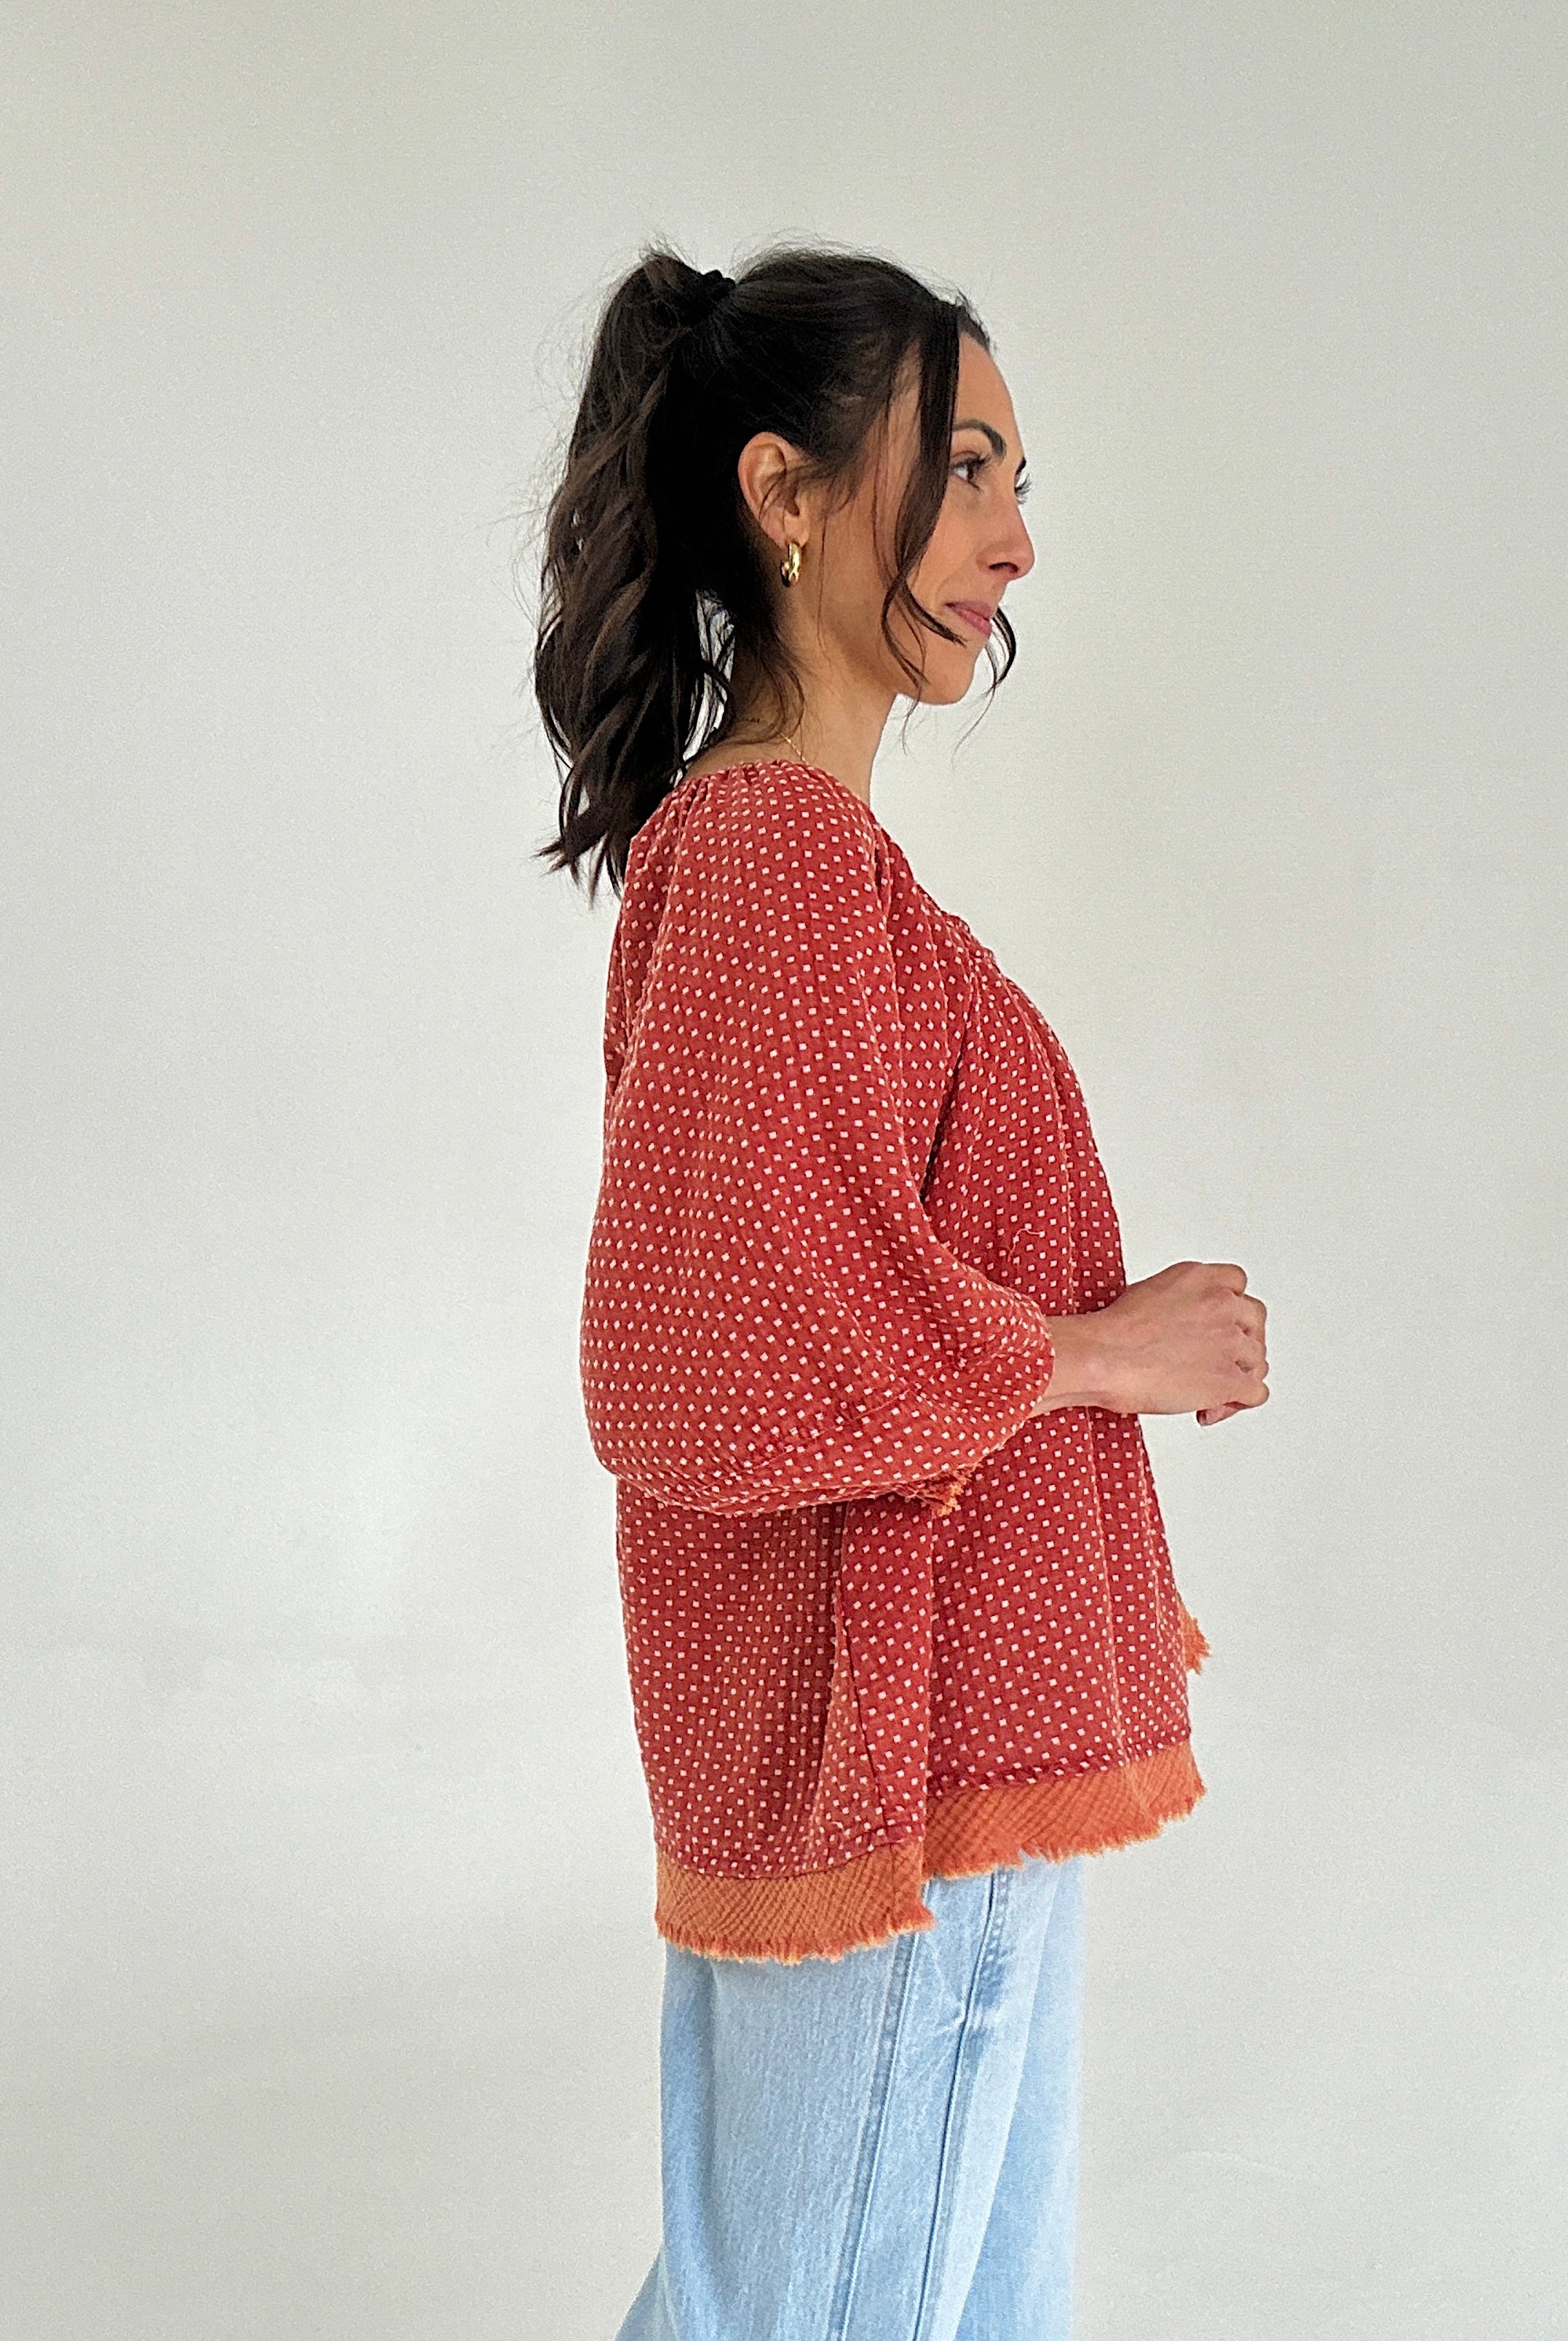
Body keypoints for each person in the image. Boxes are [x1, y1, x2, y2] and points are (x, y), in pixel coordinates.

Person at [531, 242, 1269, 2341]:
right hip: (898, 1763)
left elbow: (804, 1278)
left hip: (913, 1748)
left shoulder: (807, 866)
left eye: (1019, 482)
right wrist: (1104, 1355)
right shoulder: (771, 857)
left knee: (856, 2300)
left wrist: (1068, 1330)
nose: (1015, 543)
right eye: (962, 469)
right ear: (782, 490)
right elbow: (711, 1352)